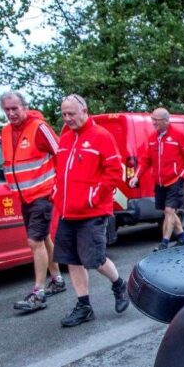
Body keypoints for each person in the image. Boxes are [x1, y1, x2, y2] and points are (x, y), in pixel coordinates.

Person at [52, 94, 129, 327]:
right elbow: (60, 171)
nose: (67, 119)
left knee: (94, 259)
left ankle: (118, 284)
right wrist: (56, 193)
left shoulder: (101, 136)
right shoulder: (65, 138)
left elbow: (115, 171)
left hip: (93, 211)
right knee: (71, 260)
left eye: (71, 114)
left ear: (84, 110)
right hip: (67, 211)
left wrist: (93, 196)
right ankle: (84, 306)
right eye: (64, 114)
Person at [0, 90, 66, 313]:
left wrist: (58, 187)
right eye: (7, 109)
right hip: (24, 196)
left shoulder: (39, 128)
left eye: (14, 108)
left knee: (34, 242)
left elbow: (61, 154)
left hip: (43, 195)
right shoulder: (6, 132)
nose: (11, 113)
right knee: (44, 238)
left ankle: (38, 292)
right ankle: (56, 278)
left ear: (24, 107)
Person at [129, 108, 184, 251]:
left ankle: (164, 243)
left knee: (168, 211)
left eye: (156, 120)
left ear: (166, 120)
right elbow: (146, 160)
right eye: (152, 119)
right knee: (168, 212)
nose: (153, 123)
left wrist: (182, 176)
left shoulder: (179, 135)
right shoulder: (153, 138)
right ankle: (183, 238)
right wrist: (136, 177)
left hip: (175, 180)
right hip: (160, 182)